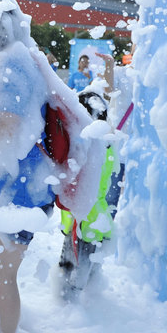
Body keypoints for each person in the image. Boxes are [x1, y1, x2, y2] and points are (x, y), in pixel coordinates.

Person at [0, 0, 102, 333]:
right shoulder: (8, 61)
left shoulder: (15, 63)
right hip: (6, 188)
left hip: (20, 193)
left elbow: (7, 126)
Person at [58, 87, 117, 298]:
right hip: (94, 221)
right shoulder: (107, 145)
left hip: (83, 223)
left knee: (71, 281)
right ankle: (87, 309)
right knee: (87, 271)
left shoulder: (89, 149)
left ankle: (70, 310)